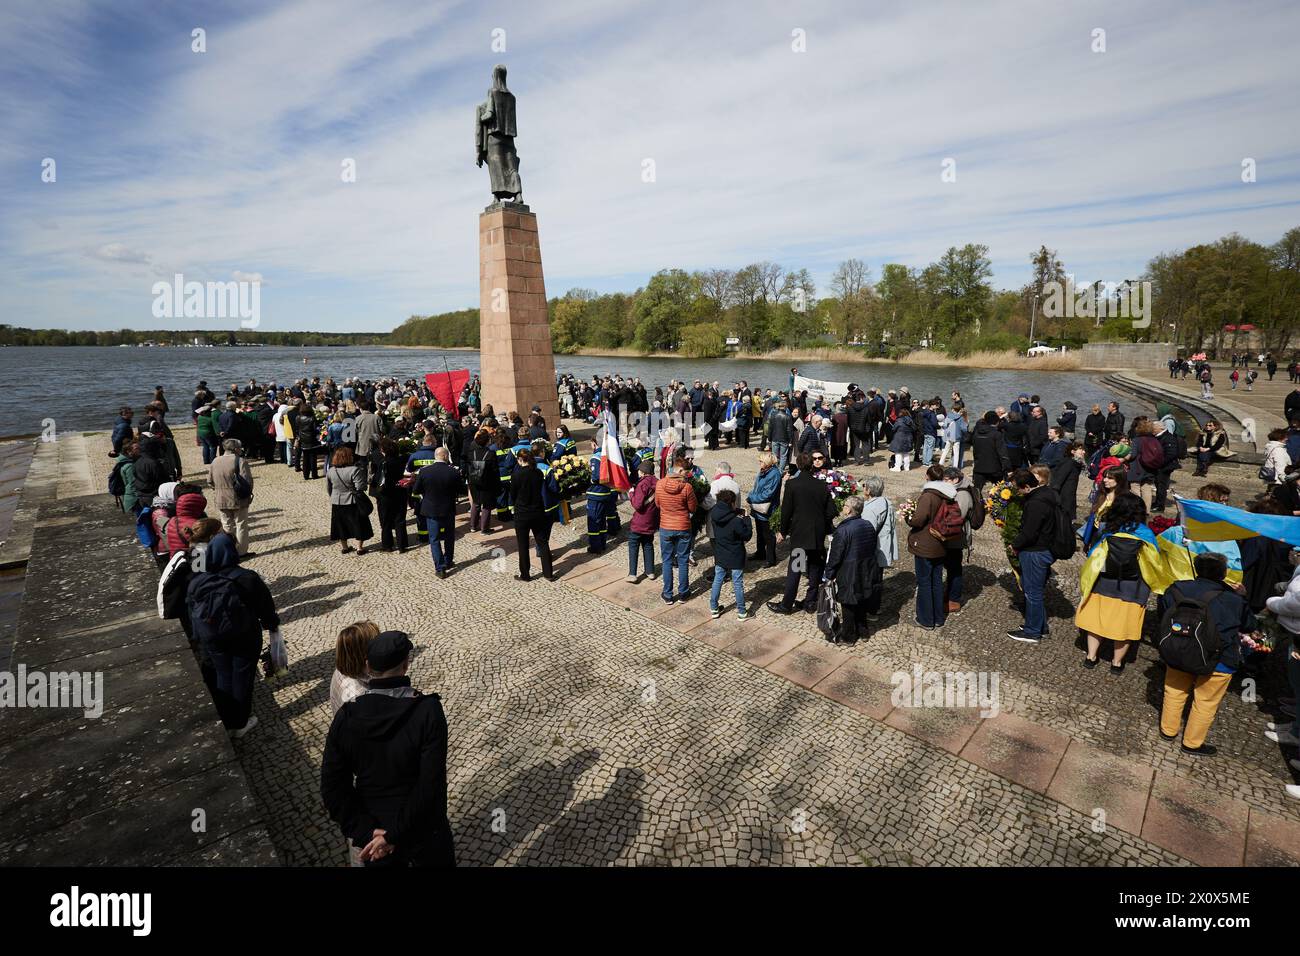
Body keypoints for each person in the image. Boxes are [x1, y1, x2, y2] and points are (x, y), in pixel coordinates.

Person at [320, 630, 455, 867]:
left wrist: (368, 834)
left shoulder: (346, 718)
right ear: (405, 665)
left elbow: (333, 789)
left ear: (368, 666)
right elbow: (430, 784)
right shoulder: (428, 711)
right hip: (424, 835)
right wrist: (392, 836)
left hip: (375, 839)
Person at [1160, 553, 1259, 756]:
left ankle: (1168, 731)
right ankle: (1192, 744)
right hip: (1219, 659)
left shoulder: (1176, 588)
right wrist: (1243, 597)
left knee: (1174, 690)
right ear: (1223, 574)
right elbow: (1249, 625)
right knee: (1206, 701)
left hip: (1179, 648)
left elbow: (1163, 610)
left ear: (1197, 569)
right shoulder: (1233, 599)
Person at [186, 531, 280, 737]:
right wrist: (272, 626)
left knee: (223, 673)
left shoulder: (199, 578)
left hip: (213, 636)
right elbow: (266, 608)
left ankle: (227, 717)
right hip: (244, 635)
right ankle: (239, 722)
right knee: (242, 676)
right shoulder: (247, 578)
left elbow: (192, 609)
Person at [1076, 492, 1173, 672]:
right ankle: (1117, 663)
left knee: (1096, 621)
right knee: (1124, 625)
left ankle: (1091, 657)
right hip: (1133, 588)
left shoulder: (1108, 530)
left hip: (1103, 583)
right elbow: (1154, 563)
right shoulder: (1146, 534)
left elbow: (1093, 557)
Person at [767, 454, 836, 616]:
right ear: (812, 466)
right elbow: (832, 510)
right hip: (816, 535)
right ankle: (810, 602)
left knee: (796, 569)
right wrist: (820, 522)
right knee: (815, 569)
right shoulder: (821, 485)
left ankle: (787, 604)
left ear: (798, 466)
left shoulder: (792, 484)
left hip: (800, 536)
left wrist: (782, 531)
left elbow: (786, 511)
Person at [1007, 468, 1060, 643]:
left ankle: (1032, 631)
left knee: (1032, 592)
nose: (1017, 492)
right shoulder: (1047, 495)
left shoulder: (1036, 503)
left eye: (1018, 488)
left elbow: (1030, 532)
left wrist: (1015, 545)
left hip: (1035, 552)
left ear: (1028, 486)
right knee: (1034, 591)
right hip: (1043, 549)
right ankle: (1039, 624)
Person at [905, 464, 959, 629]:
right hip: (941, 543)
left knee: (924, 582)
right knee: (936, 582)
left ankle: (926, 619)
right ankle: (938, 618)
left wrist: (908, 517)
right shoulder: (948, 494)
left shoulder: (928, 496)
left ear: (928, 477)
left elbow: (918, 520)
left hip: (925, 544)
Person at [823, 495, 879, 641]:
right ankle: (863, 631)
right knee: (860, 600)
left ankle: (848, 636)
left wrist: (828, 574)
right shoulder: (868, 525)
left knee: (847, 604)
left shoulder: (843, 530)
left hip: (849, 571)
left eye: (845, 506)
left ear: (849, 510)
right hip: (865, 569)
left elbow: (835, 557)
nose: (843, 508)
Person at [411, 447, 463, 578]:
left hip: (431, 509)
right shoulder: (453, 472)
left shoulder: (424, 472)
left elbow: (416, 490)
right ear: (446, 456)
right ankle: (448, 560)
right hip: (448, 509)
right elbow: (461, 490)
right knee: (449, 536)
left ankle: (440, 567)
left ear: (436, 456)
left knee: (434, 539)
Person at [656, 459, 698, 604]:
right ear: (679, 470)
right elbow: (693, 508)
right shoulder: (687, 487)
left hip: (666, 526)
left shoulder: (660, 484)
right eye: (686, 473)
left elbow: (657, 503)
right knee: (683, 560)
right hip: (683, 527)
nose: (687, 476)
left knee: (667, 561)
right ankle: (683, 593)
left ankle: (667, 595)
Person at [510, 449, 555, 581]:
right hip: (537, 512)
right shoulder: (538, 473)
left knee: (523, 545)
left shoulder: (516, 475)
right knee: (542, 542)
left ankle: (525, 574)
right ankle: (548, 573)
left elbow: (513, 495)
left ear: (519, 460)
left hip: (522, 514)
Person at [708, 489, 753, 620]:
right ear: (732, 503)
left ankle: (714, 608)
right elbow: (747, 535)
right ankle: (742, 612)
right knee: (737, 583)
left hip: (720, 552)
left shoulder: (715, 514)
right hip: (736, 554)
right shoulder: (736, 521)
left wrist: (735, 512)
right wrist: (747, 520)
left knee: (718, 579)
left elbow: (725, 516)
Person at [208, 438, 254, 556]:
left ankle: (229, 551)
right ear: (236, 449)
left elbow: (209, 481)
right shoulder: (240, 461)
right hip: (238, 498)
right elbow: (247, 481)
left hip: (220, 498)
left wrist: (218, 489)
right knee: (241, 525)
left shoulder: (215, 461)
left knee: (227, 525)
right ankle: (241, 552)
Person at [941, 466, 978, 614]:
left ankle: (954, 599)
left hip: (957, 536)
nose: (944, 483)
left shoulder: (962, 494)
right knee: (951, 567)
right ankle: (949, 594)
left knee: (954, 568)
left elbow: (957, 517)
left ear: (955, 480)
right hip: (953, 535)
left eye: (946, 480)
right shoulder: (956, 489)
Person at [860, 475, 897, 619]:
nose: (863, 488)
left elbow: (867, 532)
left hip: (873, 550)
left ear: (868, 490)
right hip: (882, 547)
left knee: (870, 580)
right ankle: (875, 607)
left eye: (864, 486)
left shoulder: (870, 509)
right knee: (877, 578)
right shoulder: (886, 502)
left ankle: (871, 609)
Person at [327, 446, 373, 556]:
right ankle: (359, 548)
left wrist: (333, 496)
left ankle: (345, 547)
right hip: (352, 501)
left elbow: (328, 488)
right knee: (359, 524)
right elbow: (360, 487)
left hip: (337, 501)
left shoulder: (331, 471)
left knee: (340, 525)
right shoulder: (354, 470)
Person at [746, 451, 782, 568]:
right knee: (760, 533)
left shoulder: (774, 474)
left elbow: (768, 494)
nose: (759, 462)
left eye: (761, 461)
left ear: (767, 462)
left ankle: (771, 559)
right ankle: (760, 552)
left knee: (768, 535)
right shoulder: (764, 471)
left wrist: (752, 497)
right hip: (759, 509)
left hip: (768, 509)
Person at [376, 437, 410, 553]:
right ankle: (402, 545)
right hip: (400, 491)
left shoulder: (383, 463)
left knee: (386, 520)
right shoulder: (401, 460)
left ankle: (387, 545)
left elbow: (378, 479)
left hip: (386, 494)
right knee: (400, 519)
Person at [627, 458, 659, 582]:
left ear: (643, 472)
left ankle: (632, 574)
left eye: (639, 471)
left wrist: (631, 493)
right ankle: (650, 572)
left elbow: (637, 505)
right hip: (652, 520)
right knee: (648, 545)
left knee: (633, 545)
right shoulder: (658, 483)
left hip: (639, 522)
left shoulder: (642, 484)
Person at [465, 428, 500, 535]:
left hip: (473, 481)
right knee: (487, 505)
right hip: (487, 482)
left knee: (475, 503)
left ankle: (472, 526)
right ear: (486, 441)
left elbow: (468, 468)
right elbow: (495, 471)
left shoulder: (471, 453)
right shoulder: (490, 454)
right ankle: (484, 529)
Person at [970, 410, 1011, 495]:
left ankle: (976, 507)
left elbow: (974, 449)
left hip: (979, 466)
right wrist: (1007, 467)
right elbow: (1002, 453)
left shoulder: (976, 433)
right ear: (997, 422)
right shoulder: (997, 434)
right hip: (995, 468)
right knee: (1000, 492)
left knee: (976, 492)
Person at [1050, 442, 1086, 524]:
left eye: (1084, 450)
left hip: (1069, 497)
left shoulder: (1076, 463)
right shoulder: (1069, 463)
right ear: (1072, 452)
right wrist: (1058, 500)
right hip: (1064, 499)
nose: (1084, 452)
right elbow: (1057, 482)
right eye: (1081, 449)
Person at [296, 401, 321, 480]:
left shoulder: (298, 418)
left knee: (305, 458)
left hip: (303, 439)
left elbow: (297, 429)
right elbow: (315, 429)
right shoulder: (312, 418)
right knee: (313, 458)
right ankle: (314, 475)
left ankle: (305, 475)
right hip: (311, 439)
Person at [768, 400, 794, 473]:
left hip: (775, 438)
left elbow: (770, 428)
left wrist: (769, 438)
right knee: (783, 456)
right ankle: (780, 471)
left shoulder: (773, 415)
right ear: (785, 407)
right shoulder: (787, 417)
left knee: (774, 455)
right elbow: (789, 430)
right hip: (784, 439)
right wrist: (790, 441)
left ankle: (774, 470)